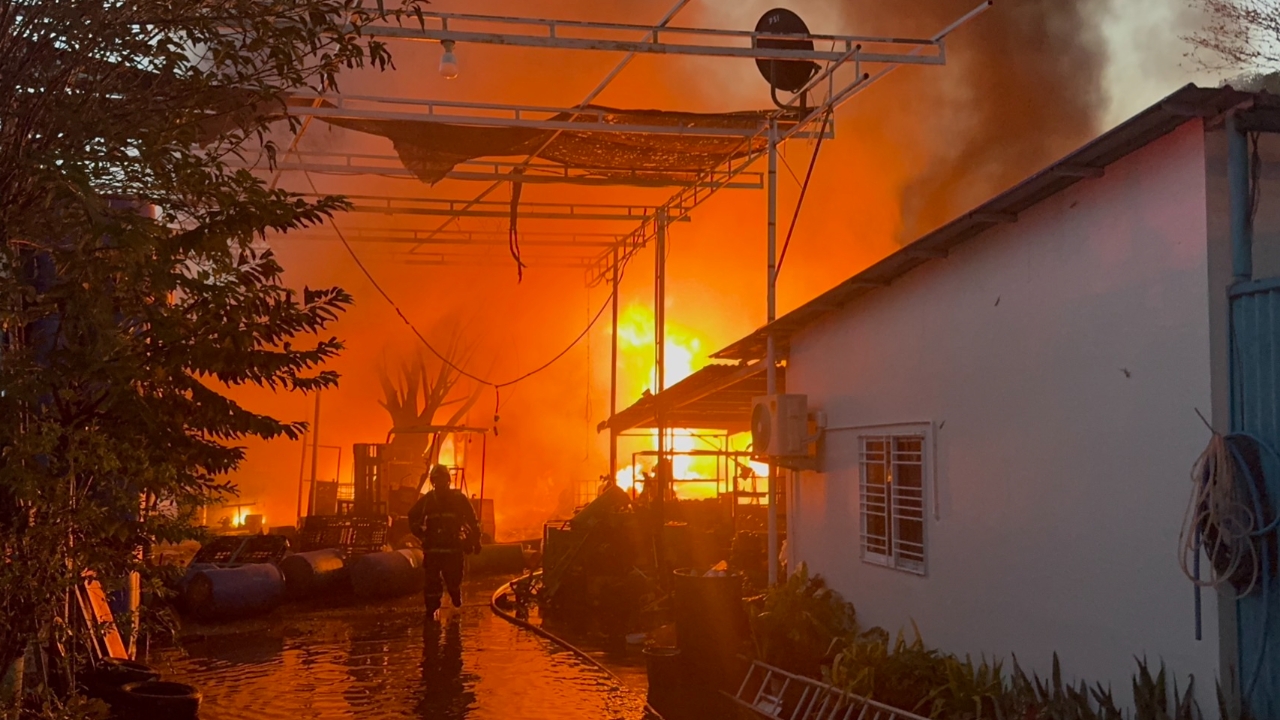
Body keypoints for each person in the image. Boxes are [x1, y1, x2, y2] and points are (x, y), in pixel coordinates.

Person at [408, 464, 482, 619]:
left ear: (447, 480)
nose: (439, 482)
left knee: (453, 579)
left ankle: (454, 592)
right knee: (431, 582)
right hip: (433, 549)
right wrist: (420, 533)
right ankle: (431, 609)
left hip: (453, 548)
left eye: (441, 479)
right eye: (436, 480)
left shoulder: (458, 498)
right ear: (433, 481)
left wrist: (476, 540)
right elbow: (412, 515)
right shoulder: (428, 500)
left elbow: (472, 520)